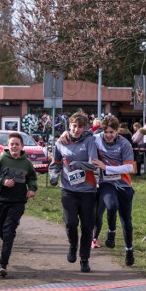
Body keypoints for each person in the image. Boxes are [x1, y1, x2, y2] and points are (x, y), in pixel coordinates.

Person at [48, 111, 98, 272]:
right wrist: (54, 175)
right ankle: (72, 246)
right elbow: (55, 163)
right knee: (70, 223)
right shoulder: (60, 142)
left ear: (85, 128)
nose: (77, 129)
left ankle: (84, 258)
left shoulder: (90, 141)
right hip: (68, 189)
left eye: (80, 127)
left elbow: (93, 164)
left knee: (87, 226)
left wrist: (78, 164)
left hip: (88, 190)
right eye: (74, 126)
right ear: (69, 126)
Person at [0, 132, 38, 278]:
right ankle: (9, 240)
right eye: (11, 144)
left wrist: (32, 189)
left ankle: (3, 264)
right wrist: (2, 181)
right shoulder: (1, 160)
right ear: (7, 146)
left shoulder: (26, 163)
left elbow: (32, 178)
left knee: (8, 231)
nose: (14, 146)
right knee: (1, 230)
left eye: (17, 144)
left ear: (21, 146)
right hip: (2, 201)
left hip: (18, 202)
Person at [92, 115, 136, 266]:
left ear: (118, 131)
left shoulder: (125, 144)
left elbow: (129, 167)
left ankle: (129, 250)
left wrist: (106, 167)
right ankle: (111, 231)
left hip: (124, 184)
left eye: (112, 132)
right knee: (111, 205)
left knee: (127, 222)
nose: (109, 135)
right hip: (106, 183)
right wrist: (65, 135)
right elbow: (80, 135)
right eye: (106, 132)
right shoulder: (96, 139)